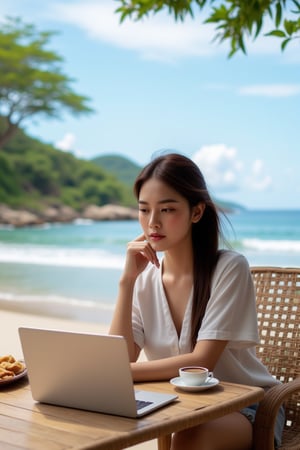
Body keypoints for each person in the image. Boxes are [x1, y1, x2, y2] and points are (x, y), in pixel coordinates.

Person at [109, 152, 284, 450]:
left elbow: (201, 362)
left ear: (196, 212)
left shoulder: (229, 268)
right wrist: (126, 283)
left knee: (189, 440)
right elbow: (119, 356)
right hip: (178, 405)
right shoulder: (145, 280)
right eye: (144, 210)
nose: (153, 222)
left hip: (247, 406)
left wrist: (115, 372)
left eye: (166, 209)